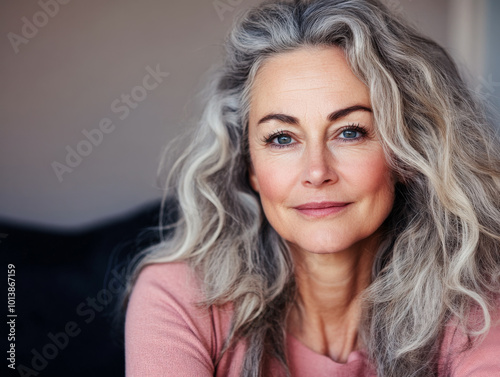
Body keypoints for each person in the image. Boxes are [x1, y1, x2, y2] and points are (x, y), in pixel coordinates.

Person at [124, 0, 500, 376]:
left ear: (406, 155)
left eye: (350, 132)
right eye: (282, 138)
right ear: (248, 166)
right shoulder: (178, 296)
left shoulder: (475, 305)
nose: (316, 171)